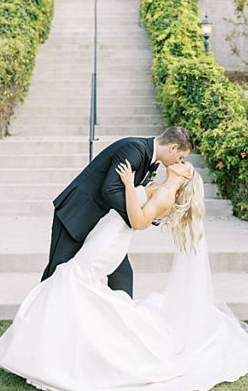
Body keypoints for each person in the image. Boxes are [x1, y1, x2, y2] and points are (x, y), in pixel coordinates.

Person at [0, 155, 248, 391]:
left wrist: (130, 185)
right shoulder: (161, 186)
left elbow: (139, 221)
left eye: (184, 164)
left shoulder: (166, 195)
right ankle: (58, 352)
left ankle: (57, 356)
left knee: (73, 278)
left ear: (186, 176)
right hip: (106, 232)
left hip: (113, 239)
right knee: (75, 281)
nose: (179, 161)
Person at [40, 127, 193, 297]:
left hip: (103, 225)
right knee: (56, 272)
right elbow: (110, 190)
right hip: (77, 216)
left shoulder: (148, 157)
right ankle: (39, 316)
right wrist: (138, 217)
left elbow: (133, 196)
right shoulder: (134, 149)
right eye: (181, 157)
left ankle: (123, 318)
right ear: (172, 148)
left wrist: (150, 215)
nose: (179, 162)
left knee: (122, 274)